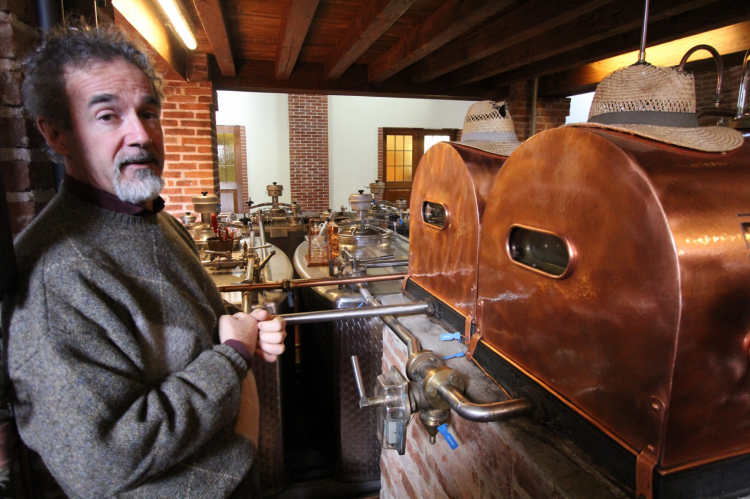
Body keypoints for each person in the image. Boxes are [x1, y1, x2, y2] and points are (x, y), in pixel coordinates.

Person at [0, 21, 286, 498]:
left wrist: (245, 328)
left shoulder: (157, 222)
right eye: (108, 116)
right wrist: (232, 357)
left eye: (148, 112)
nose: (141, 135)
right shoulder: (55, 276)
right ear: (56, 134)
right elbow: (100, 461)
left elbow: (202, 335)